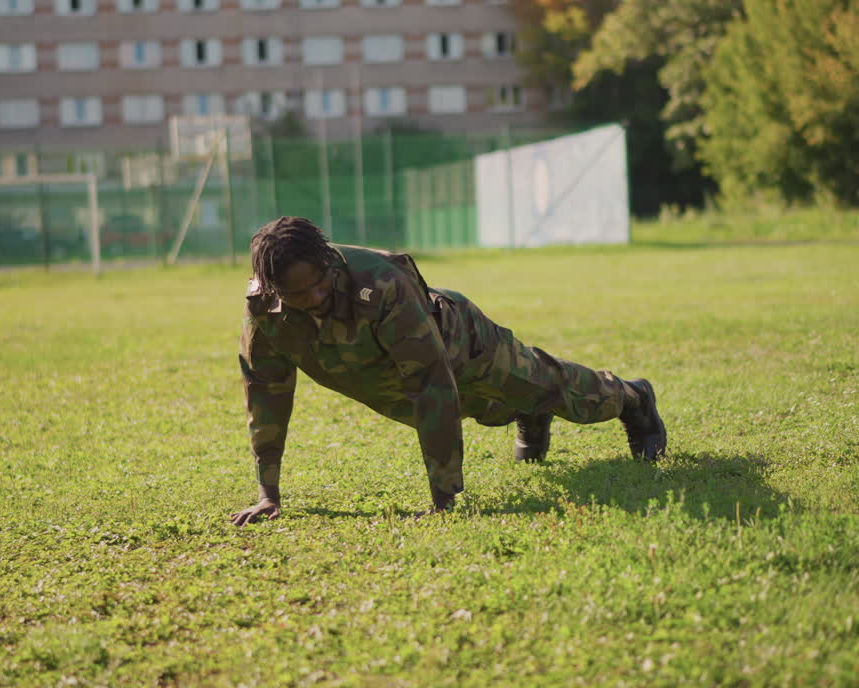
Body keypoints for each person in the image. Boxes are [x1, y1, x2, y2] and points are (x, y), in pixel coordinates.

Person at [230, 217, 667, 525]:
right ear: (273, 289)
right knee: (480, 408)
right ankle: (527, 412)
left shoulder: (381, 283)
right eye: (298, 294)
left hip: (465, 342)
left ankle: (633, 398)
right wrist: (268, 494)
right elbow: (265, 394)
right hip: (387, 371)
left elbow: (431, 385)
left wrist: (444, 500)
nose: (315, 297)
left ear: (327, 259)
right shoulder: (263, 310)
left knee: (554, 389)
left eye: (320, 282)